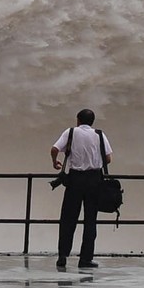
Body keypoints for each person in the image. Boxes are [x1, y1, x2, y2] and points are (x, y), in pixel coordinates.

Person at [50, 108, 112, 269]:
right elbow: (108, 158)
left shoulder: (70, 132)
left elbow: (54, 149)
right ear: (92, 122)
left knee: (68, 219)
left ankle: (63, 256)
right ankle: (85, 260)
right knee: (90, 221)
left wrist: (55, 161)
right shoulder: (99, 135)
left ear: (78, 120)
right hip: (94, 181)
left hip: (75, 180)